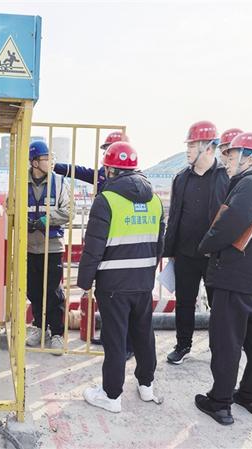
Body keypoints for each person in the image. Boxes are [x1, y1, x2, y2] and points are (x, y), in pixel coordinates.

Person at [195, 132, 252, 425]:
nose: (227, 161)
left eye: (232, 156)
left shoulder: (250, 184)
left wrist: (205, 245)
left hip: (235, 276)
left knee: (227, 341)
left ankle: (220, 402)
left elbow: (228, 226)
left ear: (250, 158)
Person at [78, 142, 165, 413]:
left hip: (113, 285)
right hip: (143, 282)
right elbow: (159, 244)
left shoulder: (106, 200)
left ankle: (111, 395)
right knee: (144, 334)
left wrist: (84, 282)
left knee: (115, 339)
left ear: (109, 170)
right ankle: (146, 386)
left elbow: (93, 248)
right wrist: (146, 273)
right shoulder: (155, 201)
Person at [54, 131, 134, 358]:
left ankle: (127, 345)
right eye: (106, 149)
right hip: (105, 241)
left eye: (110, 149)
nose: (107, 154)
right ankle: (110, 337)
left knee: (123, 299)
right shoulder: (103, 175)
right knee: (106, 295)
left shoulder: (132, 183)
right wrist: (56, 166)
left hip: (121, 243)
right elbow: (81, 172)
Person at [163, 120, 229, 364]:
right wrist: (170, 250)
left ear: (209, 148)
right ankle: (183, 345)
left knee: (218, 305)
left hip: (215, 255)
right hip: (185, 253)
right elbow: (174, 216)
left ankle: (220, 348)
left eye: (192, 145)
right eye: (188, 145)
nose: (188, 150)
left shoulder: (225, 177)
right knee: (184, 303)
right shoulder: (181, 178)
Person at [26, 140, 70, 354]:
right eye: (46, 158)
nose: (50, 162)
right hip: (28, 247)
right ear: (35, 162)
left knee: (53, 291)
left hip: (51, 247)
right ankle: (39, 327)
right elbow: (10, 206)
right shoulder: (20, 182)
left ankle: (57, 333)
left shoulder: (59, 182)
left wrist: (46, 220)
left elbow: (69, 211)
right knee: (33, 291)